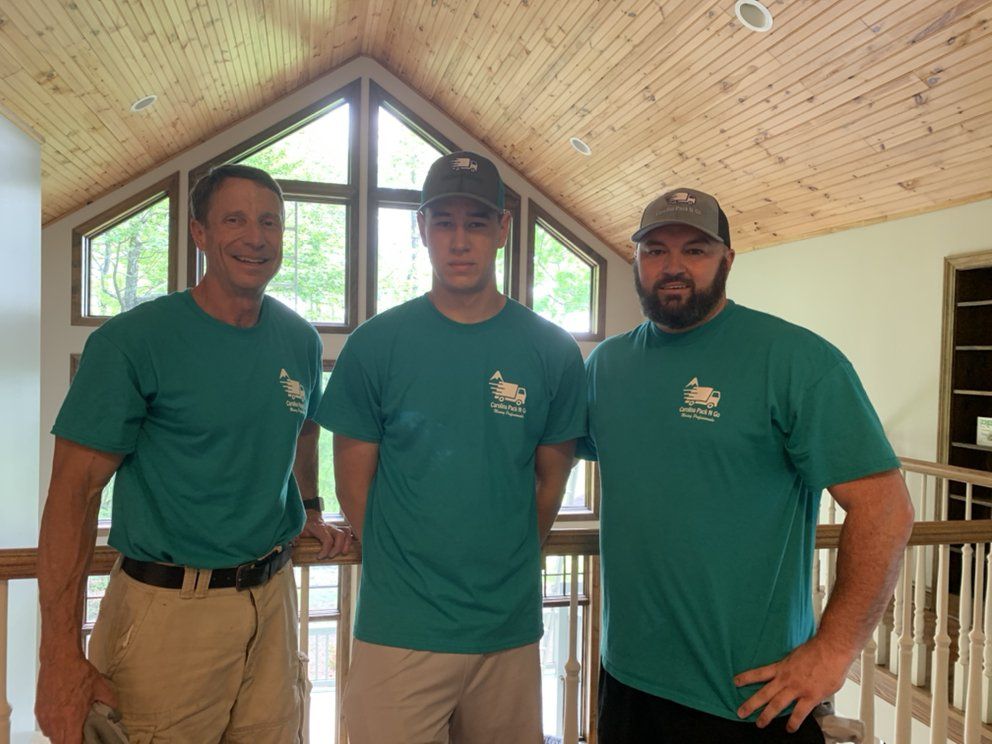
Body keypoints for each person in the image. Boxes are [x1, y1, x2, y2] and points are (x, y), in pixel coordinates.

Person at [578, 187, 914, 743]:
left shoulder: (796, 360)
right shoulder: (607, 366)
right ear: (635, 259)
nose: (673, 267)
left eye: (695, 250)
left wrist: (833, 652)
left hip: (752, 698)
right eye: (655, 250)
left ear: (727, 260)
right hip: (628, 682)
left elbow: (886, 509)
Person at [35, 164, 351, 744]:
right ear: (199, 234)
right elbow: (70, 498)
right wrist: (57, 657)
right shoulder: (133, 342)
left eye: (270, 223)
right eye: (235, 220)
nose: (256, 238)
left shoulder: (300, 339)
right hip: (167, 615)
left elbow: (304, 429)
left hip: (274, 602)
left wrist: (309, 507)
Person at [317, 151, 586, 743]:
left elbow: (549, 485)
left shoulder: (552, 352)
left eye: (477, 222)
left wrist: (500, 559)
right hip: (399, 629)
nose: (460, 240)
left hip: (507, 633)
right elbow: (352, 486)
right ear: (422, 228)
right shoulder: (376, 345)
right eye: (444, 222)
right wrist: (407, 566)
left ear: (503, 230)